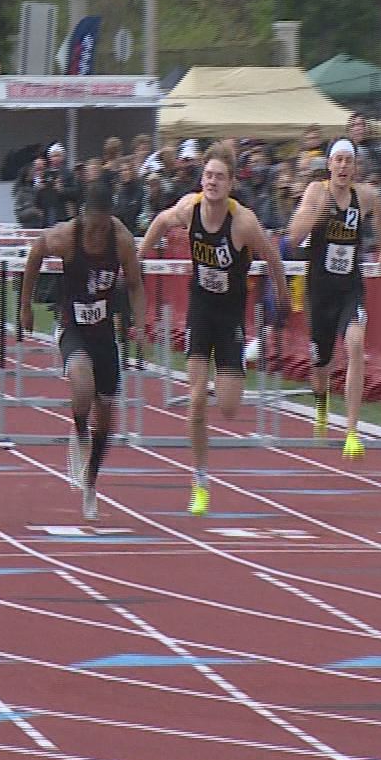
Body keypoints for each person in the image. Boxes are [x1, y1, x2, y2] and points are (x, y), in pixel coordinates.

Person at [141, 156, 288, 515]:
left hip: (231, 314)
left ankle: (233, 365)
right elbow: (160, 221)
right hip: (201, 310)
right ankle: (200, 479)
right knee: (195, 401)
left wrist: (282, 296)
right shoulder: (188, 208)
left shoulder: (243, 222)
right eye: (207, 175)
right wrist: (138, 257)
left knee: (229, 407)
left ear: (231, 184)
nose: (211, 182)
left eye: (219, 177)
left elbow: (271, 255)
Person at [20, 181, 146, 520]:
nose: (96, 233)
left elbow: (135, 284)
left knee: (106, 418)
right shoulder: (66, 236)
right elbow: (35, 252)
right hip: (72, 325)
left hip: (103, 332)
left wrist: (141, 325)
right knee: (81, 385)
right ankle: (78, 431)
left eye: (103, 226)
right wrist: (26, 307)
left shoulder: (120, 241)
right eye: (93, 226)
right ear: (83, 216)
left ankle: (91, 482)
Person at [287, 138, 381, 460]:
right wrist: (318, 214)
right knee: (321, 366)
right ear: (330, 165)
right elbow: (292, 235)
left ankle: (351, 430)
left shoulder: (365, 195)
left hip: (350, 288)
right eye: (339, 160)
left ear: (355, 166)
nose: (344, 166)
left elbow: (380, 208)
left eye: (349, 161)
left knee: (357, 346)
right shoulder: (316, 193)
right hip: (320, 291)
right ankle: (322, 402)